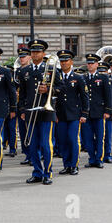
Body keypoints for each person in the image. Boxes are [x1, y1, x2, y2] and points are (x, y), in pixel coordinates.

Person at [18, 40, 64, 185]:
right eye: (33, 51)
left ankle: (48, 172)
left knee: (46, 144)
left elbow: (61, 88)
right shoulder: (24, 71)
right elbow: (23, 94)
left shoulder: (51, 69)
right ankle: (37, 172)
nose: (35, 54)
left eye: (38, 51)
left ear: (43, 53)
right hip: (31, 112)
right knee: (32, 145)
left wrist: (49, 91)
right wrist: (22, 110)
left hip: (46, 112)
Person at [55, 50, 89, 176]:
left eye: (66, 60)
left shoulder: (78, 77)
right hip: (61, 114)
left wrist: (84, 113)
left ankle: (74, 165)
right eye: (62, 61)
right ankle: (66, 165)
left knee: (72, 140)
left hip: (74, 114)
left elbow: (84, 97)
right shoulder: (56, 77)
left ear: (71, 62)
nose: (64, 63)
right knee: (63, 141)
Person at [82, 54, 112, 169]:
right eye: (88, 63)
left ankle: (99, 159)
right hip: (87, 113)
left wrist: (107, 110)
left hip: (99, 112)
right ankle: (91, 158)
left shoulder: (103, 77)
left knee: (100, 137)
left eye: (92, 63)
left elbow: (108, 95)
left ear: (97, 64)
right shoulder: (83, 77)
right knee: (88, 138)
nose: (90, 65)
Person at [97, 61, 112, 164]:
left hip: (108, 113)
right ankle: (100, 154)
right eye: (100, 71)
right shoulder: (95, 82)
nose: (102, 73)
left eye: (104, 71)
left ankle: (108, 154)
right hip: (98, 113)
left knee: (108, 135)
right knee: (100, 136)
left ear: (107, 71)